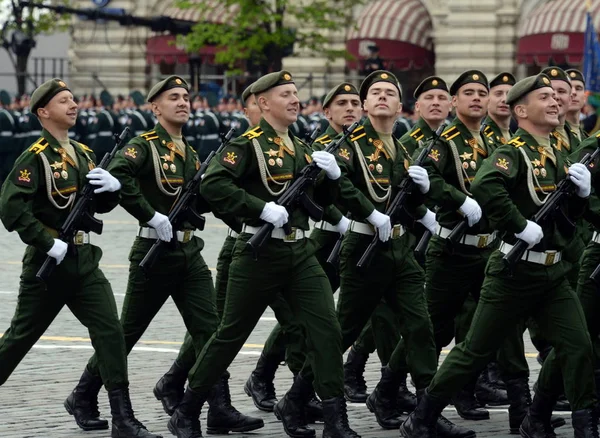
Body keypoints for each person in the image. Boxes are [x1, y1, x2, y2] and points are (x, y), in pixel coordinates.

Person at [401, 72, 598, 438]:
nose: (555, 102)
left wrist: (584, 196)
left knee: (578, 346)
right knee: (473, 352)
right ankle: (423, 416)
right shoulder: (513, 152)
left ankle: (563, 423)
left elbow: (574, 215)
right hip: (514, 273)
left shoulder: (556, 151)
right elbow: (485, 185)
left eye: (556, 98)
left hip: (553, 275)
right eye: (544, 98)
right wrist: (518, 224)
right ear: (521, 110)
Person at [64, 75, 262, 436]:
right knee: (127, 334)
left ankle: (219, 407)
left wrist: (250, 222)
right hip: (153, 252)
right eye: (174, 97)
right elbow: (116, 177)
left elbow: (206, 199)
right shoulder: (144, 146)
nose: (183, 102)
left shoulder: (190, 152)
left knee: (210, 331)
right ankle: (83, 394)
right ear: (155, 107)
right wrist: (149, 214)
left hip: (188, 251)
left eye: (186, 97)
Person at [168, 70, 359, 438]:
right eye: (285, 94)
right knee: (229, 335)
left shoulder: (302, 148)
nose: (294, 99)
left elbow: (321, 202)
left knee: (327, 330)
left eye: (295, 93)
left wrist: (333, 177)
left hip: (300, 251)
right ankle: (188, 409)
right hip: (258, 253)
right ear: (263, 103)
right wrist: (259, 208)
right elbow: (213, 185)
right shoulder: (247, 144)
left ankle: (337, 421)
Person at [0, 78, 159, 437]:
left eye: (73, 100)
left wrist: (112, 190)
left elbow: (95, 205)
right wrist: (45, 241)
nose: (73, 105)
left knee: (111, 332)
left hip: (85, 260)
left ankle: (123, 417)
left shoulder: (84, 154)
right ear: (44, 112)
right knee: (20, 338)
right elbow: (11, 207)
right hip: (50, 263)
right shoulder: (35, 157)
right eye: (63, 101)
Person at [327, 70, 469, 438]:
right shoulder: (350, 143)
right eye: (375, 92)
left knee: (420, 325)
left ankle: (426, 411)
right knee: (344, 330)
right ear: (364, 104)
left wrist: (423, 199)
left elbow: (407, 200)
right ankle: (299, 397)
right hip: (364, 247)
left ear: (399, 105)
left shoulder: (404, 148)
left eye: (390, 92)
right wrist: (368, 212)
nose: (383, 97)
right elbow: (339, 184)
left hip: (401, 248)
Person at [153, 83, 266, 434]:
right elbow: (219, 194)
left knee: (212, 328)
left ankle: (198, 395)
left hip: (269, 247)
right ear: (249, 109)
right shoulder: (239, 148)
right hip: (239, 248)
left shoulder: (285, 146)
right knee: (216, 329)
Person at [566, 69, 588, 141]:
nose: (573, 92)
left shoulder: (586, 137)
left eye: (578, 88)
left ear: (584, 97)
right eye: (569, 88)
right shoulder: (550, 134)